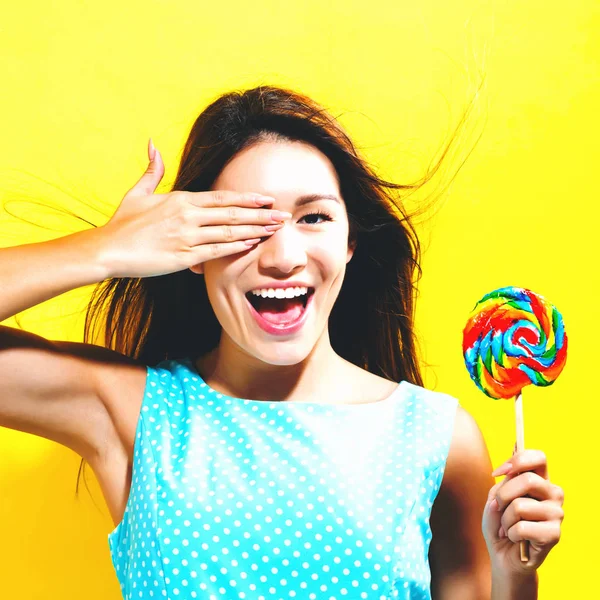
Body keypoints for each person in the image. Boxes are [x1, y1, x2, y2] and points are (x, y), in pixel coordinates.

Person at [0, 85, 564, 600]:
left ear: (349, 242)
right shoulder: (130, 412)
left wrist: (515, 571)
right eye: (244, 224)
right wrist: (106, 250)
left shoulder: (439, 438)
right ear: (191, 248)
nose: (283, 256)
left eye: (314, 217)